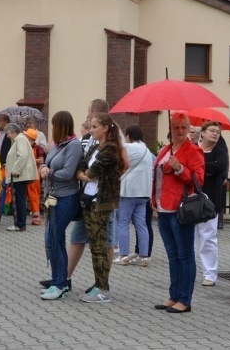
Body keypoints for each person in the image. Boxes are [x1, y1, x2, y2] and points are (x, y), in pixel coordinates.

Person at [153, 111, 205, 313]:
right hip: (163, 208)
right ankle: (174, 295)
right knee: (172, 255)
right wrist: (153, 200)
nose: (180, 131)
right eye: (176, 127)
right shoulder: (166, 149)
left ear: (189, 128)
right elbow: (157, 176)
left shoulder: (193, 151)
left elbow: (199, 180)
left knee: (185, 255)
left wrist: (180, 168)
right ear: (171, 128)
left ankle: (185, 299)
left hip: (180, 208)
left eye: (184, 127)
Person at [74, 112, 122, 303]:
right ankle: (97, 285)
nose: (91, 130)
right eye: (91, 127)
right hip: (88, 200)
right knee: (94, 246)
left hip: (101, 202)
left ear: (105, 128)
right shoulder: (94, 147)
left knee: (100, 246)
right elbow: (81, 168)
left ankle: (102, 288)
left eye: (94, 127)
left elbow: (92, 172)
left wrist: (85, 174)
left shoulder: (110, 148)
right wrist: (84, 174)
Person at [38, 111, 82, 300]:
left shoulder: (73, 146)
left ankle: (60, 284)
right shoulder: (57, 145)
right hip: (53, 197)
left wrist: (49, 172)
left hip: (66, 197)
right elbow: (46, 164)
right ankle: (58, 279)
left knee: (55, 239)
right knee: (52, 240)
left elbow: (68, 173)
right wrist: (42, 168)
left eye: (54, 125)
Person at [195, 121, 229, 286]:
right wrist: (206, 169)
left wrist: (200, 167)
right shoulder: (193, 148)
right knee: (190, 238)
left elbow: (220, 166)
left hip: (211, 200)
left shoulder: (220, 152)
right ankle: (189, 271)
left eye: (218, 132)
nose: (215, 134)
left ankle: (210, 274)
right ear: (202, 133)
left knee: (208, 238)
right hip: (191, 200)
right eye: (212, 130)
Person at [114, 125, 153, 267]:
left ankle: (124, 255)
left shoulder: (129, 147)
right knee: (141, 224)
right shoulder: (147, 150)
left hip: (128, 192)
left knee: (123, 222)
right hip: (144, 193)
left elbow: (118, 153)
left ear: (129, 135)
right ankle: (145, 256)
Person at [3, 123, 37, 232]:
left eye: (8, 133)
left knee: (19, 199)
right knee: (19, 199)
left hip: (19, 175)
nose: (7, 136)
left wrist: (15, 170)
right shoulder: (19, 139)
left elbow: (22, 155)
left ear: (13, 131)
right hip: (19, 175)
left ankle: (20, 224)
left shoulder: (20, 139)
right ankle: (20, 224)